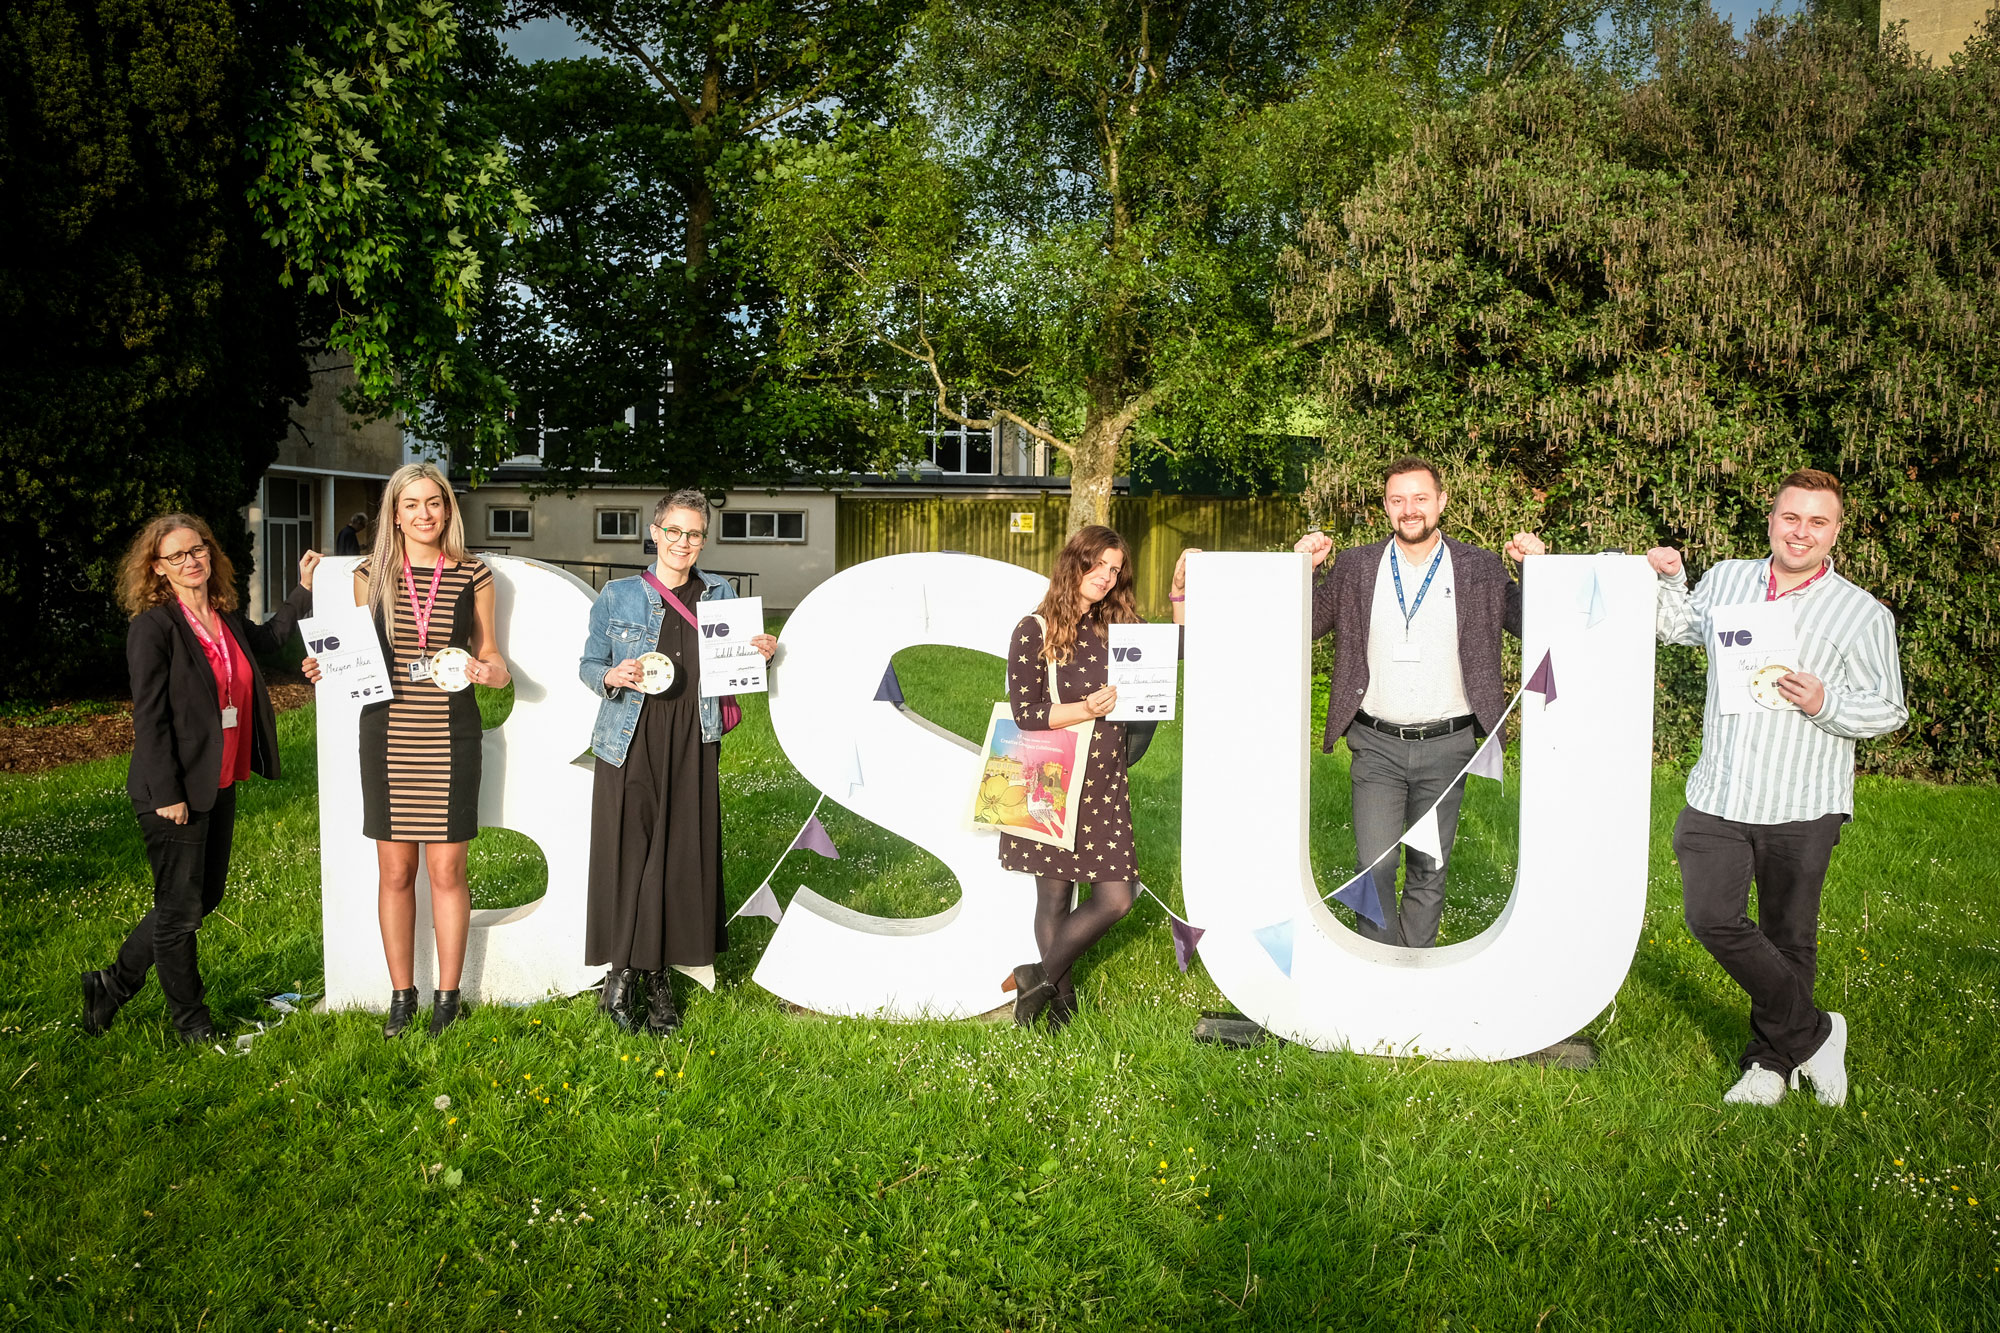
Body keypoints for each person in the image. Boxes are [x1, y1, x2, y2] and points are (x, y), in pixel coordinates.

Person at [1650, 468, 1905, 1107]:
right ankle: (1818, 1033)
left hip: (1804, 797)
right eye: (1792, 517)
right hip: (1721, 790)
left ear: (1836, 533)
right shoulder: (1732, 578)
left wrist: (1826, 700)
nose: (1802, 532)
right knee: (1711, 918)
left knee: (1789, 935)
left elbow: (1888, 709)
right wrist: (1671, 577)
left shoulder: (1861, 613)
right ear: (1772, 520)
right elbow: (1681, 628)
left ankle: (1768, 1065)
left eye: (1818, 522)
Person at [83, 516, 319, 1045]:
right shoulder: (154, 627)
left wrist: (302, 591)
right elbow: (150, 717)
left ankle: (111, 985)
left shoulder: (224, 615)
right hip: (172, 790)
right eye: (177, 556)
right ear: (157, 569)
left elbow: (272, 639)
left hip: (219, 778)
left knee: (198, 899)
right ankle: (192, 1025)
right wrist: (168, 794)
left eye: (199, 550)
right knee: (180, 912)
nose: (192, 561)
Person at [1294, 458, 1543, 948]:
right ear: (1386, 507)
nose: (1410, 510)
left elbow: (1534, 623)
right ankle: (1379, 966)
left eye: (1420, 498)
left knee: (1429, 866)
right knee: (1375, 865)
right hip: (1376, 743)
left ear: (1441, 502)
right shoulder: (1357, 565)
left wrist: (1534, 570)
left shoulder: (1478, 566)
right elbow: (1304, 623)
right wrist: (1300, 569)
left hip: (1448, 745)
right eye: (1398, 500)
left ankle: (1417, 968)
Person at [303, 462, 511, 1037]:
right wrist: (327, 664)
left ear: (448, 510)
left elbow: (494, 658)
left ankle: (448, 998)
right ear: (394, 514)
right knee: (395, 871)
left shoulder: (474, 575)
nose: (424, 514)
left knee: (448, 869)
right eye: (411, 504)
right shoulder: (370, 575)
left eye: (434, 503)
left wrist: (488, 674)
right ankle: (402, 996)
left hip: (450, 732)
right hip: (388, 732)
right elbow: (356, 653)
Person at [580, 489, 776, 1035]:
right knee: (629, 855)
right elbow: (589, 663)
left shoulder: (721, 592)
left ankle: (658, 976)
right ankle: (620, 977)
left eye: (693, 534)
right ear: (654, 531)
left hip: (694, 734)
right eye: (674, 531)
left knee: (676, 856)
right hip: (630, 735)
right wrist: (609, 676)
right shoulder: (618, 594)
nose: (682, 543)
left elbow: (737, 667)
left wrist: (760, 653)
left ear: (703, 539)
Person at [999, 526, 1193, 1030]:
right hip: (1051, 775)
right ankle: (1060, 1008)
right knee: (1055, 897)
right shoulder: (1034, 629)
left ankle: (1034, 976)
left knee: (1115, 898)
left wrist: (1179, 593)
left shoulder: (1118, 627)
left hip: (1105, 778)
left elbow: (1180, 646)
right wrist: (1085, 708)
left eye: (1114, 570)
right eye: (1097, 565)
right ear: (1075, 563)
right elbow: (1026, 713)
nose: (1106, 578)